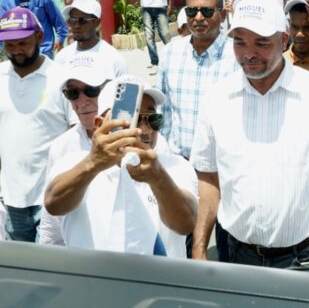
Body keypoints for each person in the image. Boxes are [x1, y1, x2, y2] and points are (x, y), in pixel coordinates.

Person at [190, 0, 309, 275]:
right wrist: (198, 249)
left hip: (308, 261)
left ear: (283, 41)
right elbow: (209, 178)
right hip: (237, 257)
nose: (249, 53)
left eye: (261, 43)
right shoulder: (216, 100)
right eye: (240, 42)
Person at [41, 75, 197, 259]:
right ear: (100, 124)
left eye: (153, 119)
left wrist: (158, 178)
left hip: (161, 285)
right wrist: (93, 163)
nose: (145, 130)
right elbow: (53, 205)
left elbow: (185, 224)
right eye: (134, 119)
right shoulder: (70, 163)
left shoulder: (177, 167)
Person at [0, 7, 74, 242]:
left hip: (51, 201)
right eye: (9, 45)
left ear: (40, 37)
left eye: (22, 43)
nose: (16, 51)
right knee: (23, 273)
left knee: (54, 272)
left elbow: (77, 136)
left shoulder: (62, 79)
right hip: (10, 201)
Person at [158, 0, 238, 160]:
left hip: (221, 165)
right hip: (178, 163)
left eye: (207, 12)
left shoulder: (237, 56)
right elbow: (163, 109)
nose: (199, 18)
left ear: (222, 15)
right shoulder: (170, 52)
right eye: (192, 11)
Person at [55, 0, 128, 78]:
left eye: (82, 21)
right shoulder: (62, 58)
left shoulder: (113, 60)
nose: (76, 25)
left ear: (97, 23)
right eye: (72, 20)